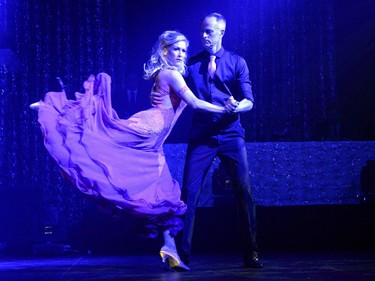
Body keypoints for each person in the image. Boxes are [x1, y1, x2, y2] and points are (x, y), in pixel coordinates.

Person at [29, 30, 235, 271]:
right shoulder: (170, 74)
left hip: (155, 143)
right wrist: (226, 109)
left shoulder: (168, 73)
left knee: (165, 194)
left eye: (183, 50)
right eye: (177, 49)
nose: (181, 54)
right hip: (146, 130)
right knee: (100, 137)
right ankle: (55, 110)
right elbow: (196, 104)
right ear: (165, 50)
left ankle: (169, 247)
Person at [151, 13, 263, 269]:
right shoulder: (191, 64)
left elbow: (249, 100)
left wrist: (237, 107)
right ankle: (182, 255)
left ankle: (252, 253)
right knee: (189, 193)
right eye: (202, 31)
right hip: (202, 136)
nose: (203, 36)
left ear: (221, 32)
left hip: (231, 135)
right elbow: (176, 86)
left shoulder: (236, 62)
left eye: (209, 31)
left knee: (243, 191)